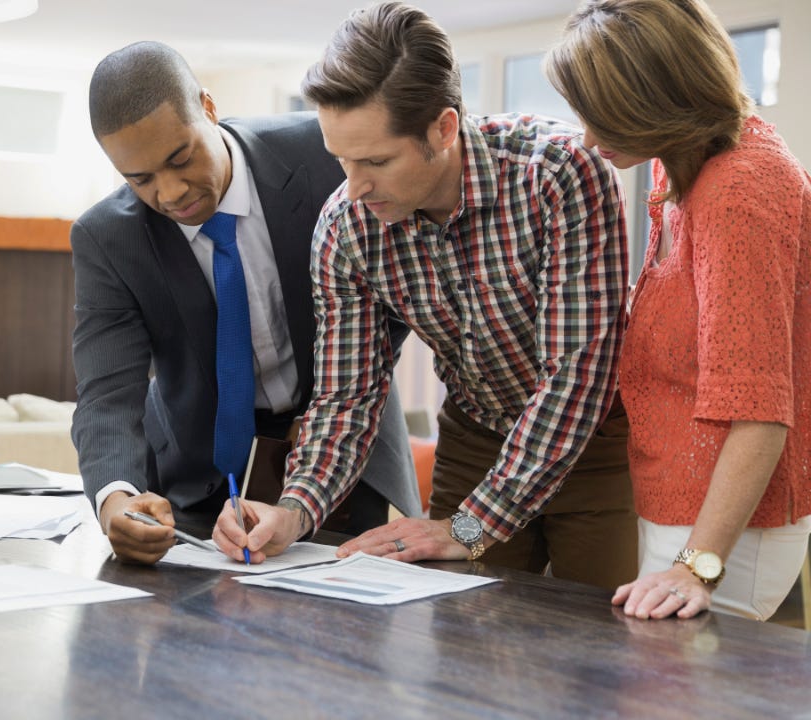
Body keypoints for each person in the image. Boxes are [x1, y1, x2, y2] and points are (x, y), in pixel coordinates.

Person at [214, 2, 638, 590]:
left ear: (443, 127)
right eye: (341, 159)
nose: (354, 187)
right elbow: (348, 395)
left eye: (376, 161)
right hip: (476, 436)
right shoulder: (347, 226)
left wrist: (469, 526)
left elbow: (577, 375)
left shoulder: (561, 173)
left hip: (594, 443)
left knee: (599, 648)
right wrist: (294, 509)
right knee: (464, 639)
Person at [71, 41, 419, 564]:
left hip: (342, 449)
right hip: (197, 479)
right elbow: (106, 392)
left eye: (180, 158)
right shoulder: (107, 238)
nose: (169, 193)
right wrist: (114, 499)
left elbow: (399, 288)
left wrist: (344, 392)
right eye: (139, 179)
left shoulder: (324, 157)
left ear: (208, 109)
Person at [544, 0, 811, 620]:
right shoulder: (679, 167)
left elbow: (761, 411)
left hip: (726, 533)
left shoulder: (739, 189)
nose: (586, 137)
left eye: (602, 117)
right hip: (681, 507)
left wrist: (699, 566)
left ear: (656, 101)